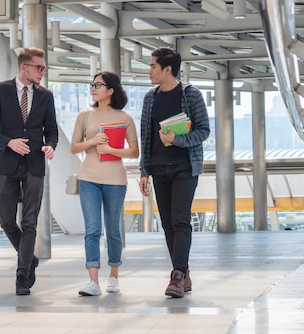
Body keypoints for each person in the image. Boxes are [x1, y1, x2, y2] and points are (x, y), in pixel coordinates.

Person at [0, 47, 58, 296]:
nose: (43, 72)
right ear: (24, 67)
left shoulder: (46, 96)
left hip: (35, 164)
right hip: (6, 163)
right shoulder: (0, 90)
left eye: (44, 68)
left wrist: (50, 146)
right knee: (6, 221)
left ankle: (22, 275)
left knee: (30, 221)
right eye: (39, 67)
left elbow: (52, 130)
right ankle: (30, 258)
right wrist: (8, 142)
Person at [138, 47, 210, 298]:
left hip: (184, 167)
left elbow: (203, 131)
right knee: (168, 223)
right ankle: (184, 272)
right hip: (158, 168)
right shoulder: (150, 97)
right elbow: (146, 136)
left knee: (180, 220)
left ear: (167, 69)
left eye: (153, 66)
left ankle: (177, 275)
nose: (149, 71)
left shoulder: (191, 94)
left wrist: (177, 139)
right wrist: (144, 170)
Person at [70, 71, 139, 296]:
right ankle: (93, 282)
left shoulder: (125, 118)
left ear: (111, 90)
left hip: (115, 180)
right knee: (92, 230)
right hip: (88, 177)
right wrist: (92, 141)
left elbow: (134, 151)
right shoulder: (85, 116)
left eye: (99, 85)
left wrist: (110, 149)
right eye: (92, 84)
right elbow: (74, 147)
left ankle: (114, 275)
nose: (94, 88)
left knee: (113, 230)